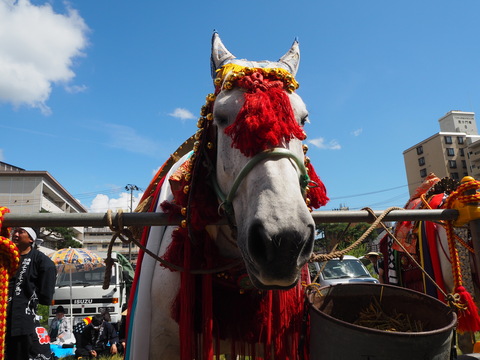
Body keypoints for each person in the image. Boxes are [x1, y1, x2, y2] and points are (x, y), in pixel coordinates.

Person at [6, 227, 57, 360]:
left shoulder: (38, 258)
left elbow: (49, 270)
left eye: (20, 232)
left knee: (22, 352)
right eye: (14, 231)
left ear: (31, 239)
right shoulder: (8, 256)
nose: (15, 234)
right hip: (5, 313)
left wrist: (43, 297)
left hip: (24, 317)